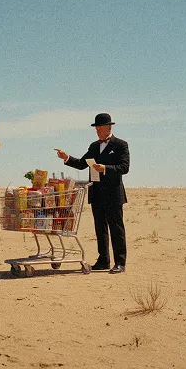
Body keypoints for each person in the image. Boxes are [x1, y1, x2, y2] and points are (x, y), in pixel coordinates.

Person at [55, 113, 129, 274]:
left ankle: (120, 262)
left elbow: (124, 168)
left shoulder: (121, 145)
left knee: (116, 228)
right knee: (100, 228)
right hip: (96, 193)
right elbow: (82, 164)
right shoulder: (94, 146)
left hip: (113, 194)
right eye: (96, 129)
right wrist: (67, 158)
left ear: (109, 127)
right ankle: (103, 261)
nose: (98, 132)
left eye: (100, 129)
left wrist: (105, 169)